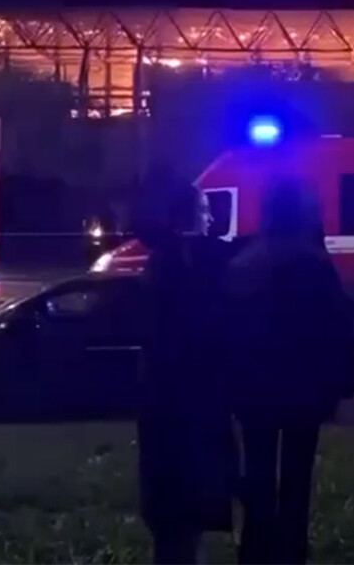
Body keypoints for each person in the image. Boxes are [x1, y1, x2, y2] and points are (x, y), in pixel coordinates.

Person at [228, 180, 354, 565]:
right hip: (304, 389)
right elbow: (337, 325)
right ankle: (291, 551)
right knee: (297, 478)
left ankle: (255, 551)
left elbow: (226, 329)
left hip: (254, 391)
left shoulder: (244, 263)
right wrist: (342, 377)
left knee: (258, 476)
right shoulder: (315, 263)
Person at [134, 176, 237, 564]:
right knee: (186, 511)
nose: (210, 219)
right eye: (205, 210)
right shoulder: (194, 262)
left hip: (162, 403)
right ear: (190, 215)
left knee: (173, 519)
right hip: (191, 403)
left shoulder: (160, 262)